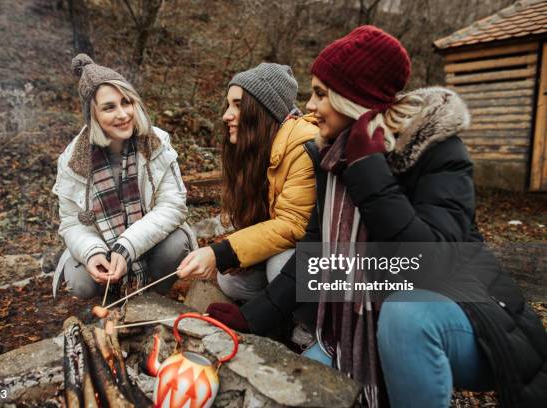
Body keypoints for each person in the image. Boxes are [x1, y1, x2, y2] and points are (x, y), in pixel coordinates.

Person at [206, 26, 547, 407]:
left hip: (472, 323)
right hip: (361, 332)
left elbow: (429, 264)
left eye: (320, 94)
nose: (310, 106)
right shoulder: (331, 158)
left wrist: (370, 172)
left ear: (353, 99)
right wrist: (253, 318)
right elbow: (315, 255)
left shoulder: (435, 151)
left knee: (405, 316)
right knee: (309, 384)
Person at [52, 54, 196, 299]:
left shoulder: (156, 143)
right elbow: (71, 222)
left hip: (148, 242)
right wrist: (92, 252)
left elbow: (173, 206)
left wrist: (127, 245)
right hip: (103, 244)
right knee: (79, 282)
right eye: (109, 107)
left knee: (176, 246)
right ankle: (111, 297)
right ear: (92, 114)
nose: (123, 114)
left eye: (126, 102)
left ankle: (152, 298)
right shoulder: (72, 161)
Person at [177, 63, 319, 301]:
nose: (226, 116)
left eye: (238, 105)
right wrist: (240, 255)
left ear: (262, 110)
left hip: (333, 262)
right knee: (232, 281)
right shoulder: (260, 145)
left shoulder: (302, 146)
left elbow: (293, 226)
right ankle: (276, 316)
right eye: (228, 104)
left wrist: (223, 252)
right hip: (295, 253)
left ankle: (308, 328)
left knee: (281, 265)